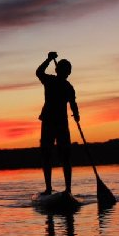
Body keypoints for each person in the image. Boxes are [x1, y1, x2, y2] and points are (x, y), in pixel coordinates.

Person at [36, 51, 80, 195]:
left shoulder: (68, 87)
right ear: (58, 70)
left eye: (67, 71)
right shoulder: (51, 81)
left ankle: (67, 189)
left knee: (64, 156)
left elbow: (73, 103)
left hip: (60, 124)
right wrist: (48, 59)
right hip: (49, 122)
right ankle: (49, 188)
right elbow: (39, 72)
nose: (65, 73)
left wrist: (76, 115)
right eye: (64, 70)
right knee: (47, 155)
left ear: (68, 72)